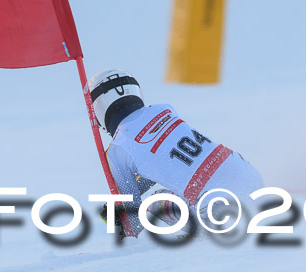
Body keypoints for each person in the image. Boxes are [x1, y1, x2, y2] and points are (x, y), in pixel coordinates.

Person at [89, 68, 264, 237]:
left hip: (217, 215)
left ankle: (203, 242)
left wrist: (119, 215)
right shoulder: (165, 109)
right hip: (253, 180)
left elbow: (134, 220)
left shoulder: (117, 150)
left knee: (156, 202)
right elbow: (159, 164)